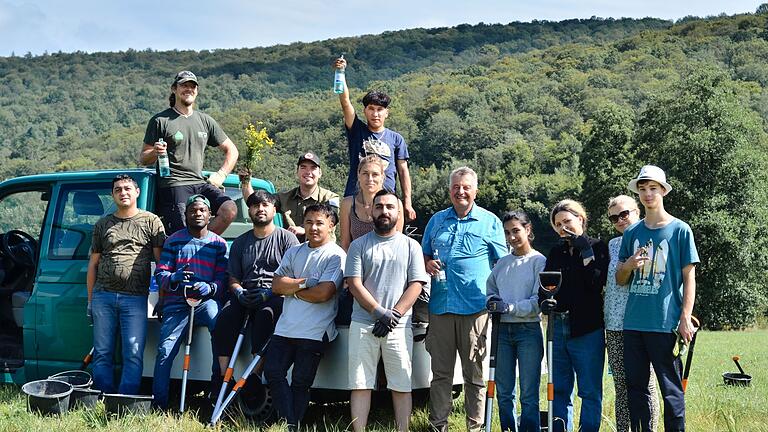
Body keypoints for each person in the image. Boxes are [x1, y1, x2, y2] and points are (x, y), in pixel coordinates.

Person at [421, 166, 508, 431]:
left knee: (475, 376)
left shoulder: (490, 221)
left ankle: (476, 427)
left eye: (466, 187)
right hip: (440, 307)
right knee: (440, 376)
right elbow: (423, 255)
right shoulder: (436, 221)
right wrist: (427, 264)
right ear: (450, 191)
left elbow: (501, 264)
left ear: (475, 191)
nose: (461, 191)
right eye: (456, 187)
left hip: (475, 308)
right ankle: (439, 426)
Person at [616, 165, 699, 432]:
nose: (647, 194)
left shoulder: (681, 230)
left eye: (653, 188)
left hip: (665, 324)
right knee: (636, 390)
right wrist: (628, 265)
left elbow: (689, 278)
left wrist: (685, 317)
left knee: (671, 391)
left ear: (663, 191)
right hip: (633, 324)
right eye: (642, 189)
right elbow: (620, 279)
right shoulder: (631, 233)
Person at [345, 189, 429, 432]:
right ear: (371, 211)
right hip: (363, 323)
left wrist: (394, 315)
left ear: (399, 212)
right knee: (360, 383)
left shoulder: (411, 246)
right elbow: (354, 283)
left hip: (399, 326)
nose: (384, 211)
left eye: (390, 207)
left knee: (401, 384)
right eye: (379, 206)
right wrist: (378, 312)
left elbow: (416, 284)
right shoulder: (358, 245)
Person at [263, 204, 346, 431]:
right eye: (309, 222)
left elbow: (324, 294)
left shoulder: (336, 255)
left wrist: (293, 289)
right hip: (285, 328)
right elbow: (276, 285)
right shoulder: (294, 251)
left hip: (315, 331)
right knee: (273, 372)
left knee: (300, 382)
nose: (313, 227)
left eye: (320, 223)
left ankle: (291, 424)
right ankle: (289, 423)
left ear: (331, 225)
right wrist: (305, 283)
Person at [86, 174, 166, 394]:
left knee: (133, 351)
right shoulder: (103, 224)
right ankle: (103, 397)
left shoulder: (151, 221)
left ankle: (126, 399)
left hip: (135, 298)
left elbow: (162, 264)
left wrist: (163, 297)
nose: (123, 192)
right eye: (118, 189)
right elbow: (93, 265)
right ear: (113, 195)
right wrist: (91, 301)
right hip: (103, 296)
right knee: (102, 352)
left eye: (127, 188)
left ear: (137, 192)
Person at [213, 190, 299, 388]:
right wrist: (238, 292)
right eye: (255, 206)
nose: (260, 209)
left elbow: (293, 276)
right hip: (246, 292)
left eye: (265, 205)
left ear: (274, 210)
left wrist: (270, 292)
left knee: (264, 317)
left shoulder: (287, 240)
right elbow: (233, 277)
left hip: (276, 293)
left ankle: (254, 377)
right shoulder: (240, 243)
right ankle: (224, 377)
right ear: (250, 211)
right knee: (224, 319)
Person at [139, 70, 239, 235]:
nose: (188, 89)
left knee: (229, 209)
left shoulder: (205, 120)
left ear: (197, 91)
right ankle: (192, 247)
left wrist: (221, 175)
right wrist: (155, 152)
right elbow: (143, 158)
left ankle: (203, 245)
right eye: (184, 85)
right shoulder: (160, 121)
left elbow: (232, 150)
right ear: (174, 89)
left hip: (200, 183)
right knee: (185, 233)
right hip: (174, 185)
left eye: (192, 86)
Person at [152, 194, 228, 409]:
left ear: (210, 215)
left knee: (219, 331)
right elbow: (161, 274)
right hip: (177, 303)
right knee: (165, 351)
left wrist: (211, 287)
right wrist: (173, 278)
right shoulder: (174, 240)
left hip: (206, 302)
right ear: (186, 215)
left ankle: (215, 394)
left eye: (202, 210)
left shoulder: (219, 244)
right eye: (193, 210)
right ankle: (159, 404)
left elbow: (223, 278)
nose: (197, 214)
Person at [539, 199, 608, 432]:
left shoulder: (598, 247)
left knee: (589, 390)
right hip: (557, 326)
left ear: (580, 219)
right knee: (559, 388)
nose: (562, 228)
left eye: (567, 221)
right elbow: (545, 285)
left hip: (587, 328)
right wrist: (544, 301)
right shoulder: (556, 252)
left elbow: (596, 282)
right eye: (557, 224)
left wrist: (584, 249)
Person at [333, 56, 416, 221]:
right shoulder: (357, 130)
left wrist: (407, 202)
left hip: (386, 201)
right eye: (371, 109)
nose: (375, 113)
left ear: (387, 113)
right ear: (365, 111)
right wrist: (340, 73)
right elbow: (345, 102)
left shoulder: (396, 139)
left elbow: (403, 171)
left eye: (380, 109)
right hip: (357, 198)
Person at [485, 210, 546, 432]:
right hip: (501, 332)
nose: (511, 237)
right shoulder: (502, 263)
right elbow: (490, 289)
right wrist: (492, 301)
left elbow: (537, 300)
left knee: (529, 392)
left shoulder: (539, 261)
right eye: (507, 232)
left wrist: (510, 307)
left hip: (528, 330)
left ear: (528, 230)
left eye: (516, 231)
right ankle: (508, 428)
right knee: (504, 392)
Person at [605, 195, 659, 432]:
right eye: (614, 217)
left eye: (624, 214)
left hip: (642, 323)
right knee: (621, 386)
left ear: (637, 211)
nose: (619, 220)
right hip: (615, 325)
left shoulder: (652, 238)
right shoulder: (613, 245)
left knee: (646, 385)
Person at [241, 152, 339, 242]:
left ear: (320, 173)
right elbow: (255, 204)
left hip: (321, 253)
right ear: (297, 172)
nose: (308, 172)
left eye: (313, 168)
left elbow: (331, 223)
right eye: (303, 167)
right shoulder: (284, 197)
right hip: (290, 252)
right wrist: (245, 182)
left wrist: (305, 229)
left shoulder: (330, 197)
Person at [340, 155, 404, 251]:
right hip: (355, 260)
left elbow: (396, 243)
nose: (370, 179)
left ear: (382, 177)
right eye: (365, 173)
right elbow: (345, 245)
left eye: (375, 174)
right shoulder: (348, 204)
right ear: (358, 175)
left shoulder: (394, 204)